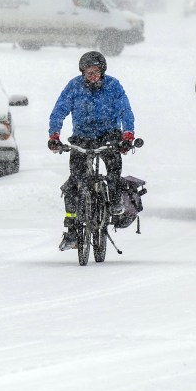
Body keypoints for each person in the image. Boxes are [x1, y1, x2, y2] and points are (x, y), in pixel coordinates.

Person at [48, 50, 136, 251]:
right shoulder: (74, 86)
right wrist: (54, 136)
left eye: (96, 72)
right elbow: (59, 111)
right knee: (74, 183)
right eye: (88, 73)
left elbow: (125, 110)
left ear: (102, 71)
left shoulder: (113, 86)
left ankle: (114, 199)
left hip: (108, 136)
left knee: (114, 169)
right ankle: (72, 230)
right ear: (82, 73)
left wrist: (127, 136)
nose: (92, 76)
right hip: (82, 138)